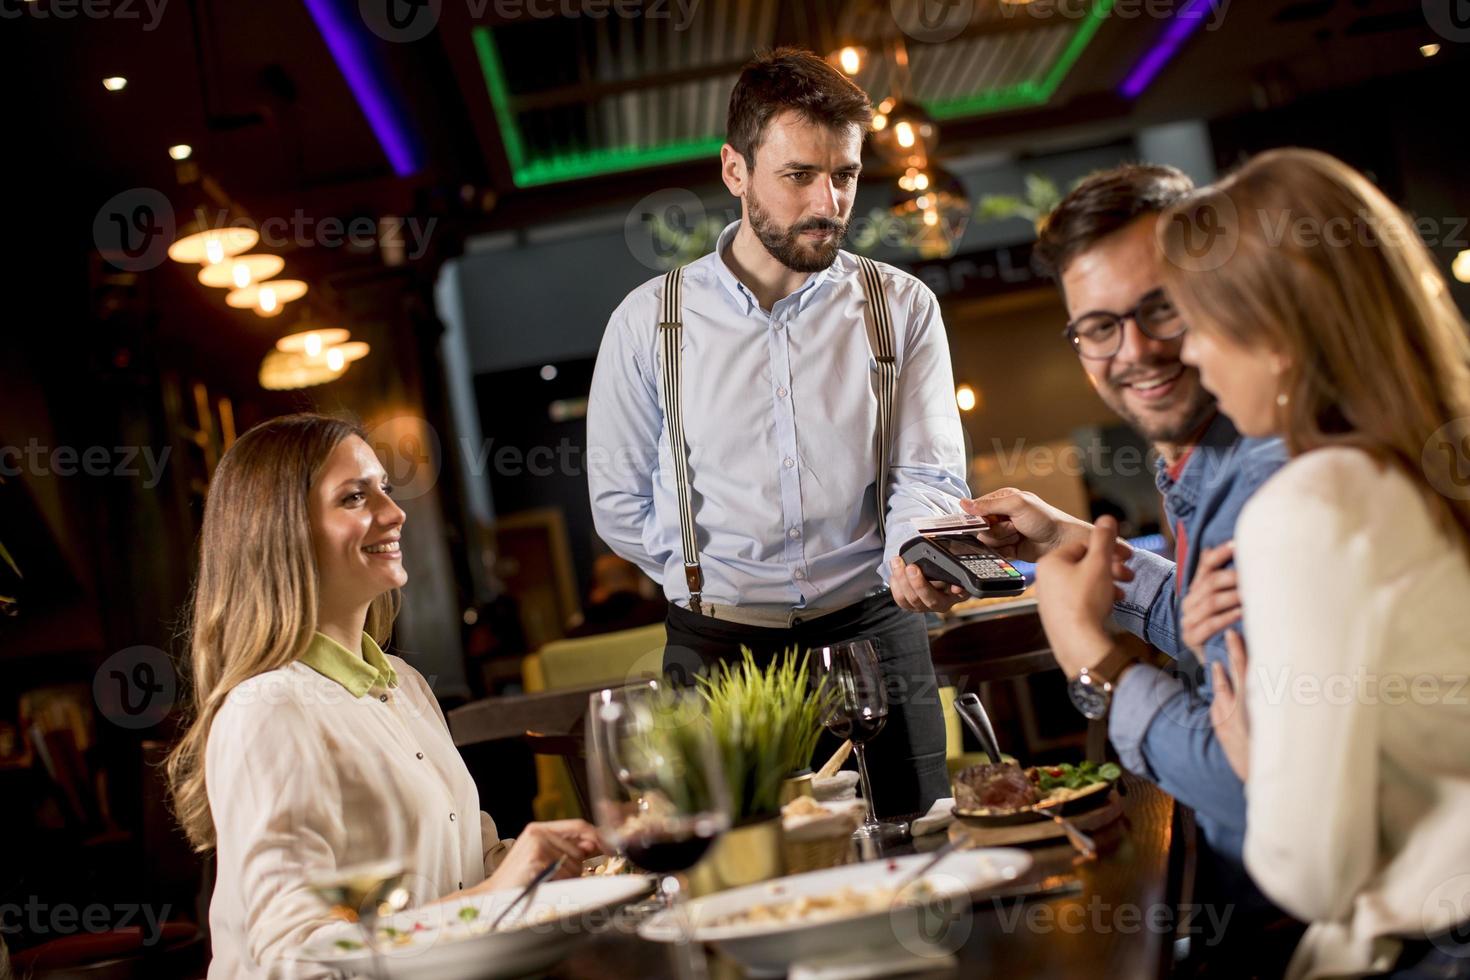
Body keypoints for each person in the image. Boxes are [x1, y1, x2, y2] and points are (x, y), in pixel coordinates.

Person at [1043, 148, 1470, 979]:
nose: (1182, 353)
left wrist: (1093, 657)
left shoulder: (1304, 501)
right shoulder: (1388, 460)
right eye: (1099, 326)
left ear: (1274, 335)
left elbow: (1306, 869)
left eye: (1188, 317)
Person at [587, 48, 969, 818]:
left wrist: (910, 552)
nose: (828, 201)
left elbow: (925, 474)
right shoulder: (647, 324)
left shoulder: (901, 307)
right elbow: (619, 502)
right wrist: (715, 579)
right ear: (736, 171)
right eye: (799, 176)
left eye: (846, 176)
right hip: (718, 653)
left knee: (918, 859)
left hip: (874, 630)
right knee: (748, 890)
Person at [164, 414, 603, 978]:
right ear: (281, 530)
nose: (394, 513)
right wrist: (496, 893)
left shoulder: (403, 682)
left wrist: (559, 867)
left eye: (385, 491)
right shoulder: (267, 710)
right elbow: (296, 958)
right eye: (353, 497)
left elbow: (472, 871)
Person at [962, 165, 1288, 880]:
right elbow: (1224, 634)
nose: (1135, 351)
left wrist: (1087, 654)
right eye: (1101, 328)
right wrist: (1062, 538)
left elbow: (1260, 795)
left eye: (1161, 308)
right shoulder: (1203, 460)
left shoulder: (1267, 479)